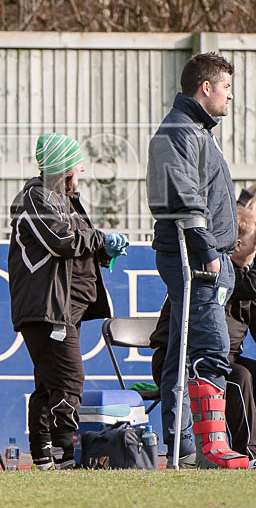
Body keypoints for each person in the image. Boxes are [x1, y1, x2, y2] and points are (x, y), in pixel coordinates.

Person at [146, 51, 248, 468]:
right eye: (226, 87)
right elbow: (184, 197)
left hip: (206, 255)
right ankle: (212, 448)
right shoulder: (179, 131)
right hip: (195, 257)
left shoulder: (197, 131)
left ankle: (184, 444)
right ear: (205, 88)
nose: (230, 95)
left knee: (182, 350)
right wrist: (206, 251)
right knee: (211, 347)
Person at [8, 133, 126, 470]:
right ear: (63, 168)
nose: (82, 169)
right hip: (46, 308)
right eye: (77, 164)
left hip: (65, 308)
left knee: (49, 384)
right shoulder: (34, 197)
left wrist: (104, 251)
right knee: (70, 381)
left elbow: (76, 249)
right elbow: (61, 240)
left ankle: (43, 456)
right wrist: (101, 238)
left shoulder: (67, 199)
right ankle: (64, 454)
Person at [151, 204, 256, 461]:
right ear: (237, 246)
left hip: (224, 360)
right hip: (184, 362)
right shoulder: (213, 276)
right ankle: (248, 453)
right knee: (239, 377)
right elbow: (250, 284)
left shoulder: (245, 282)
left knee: (244, 371)